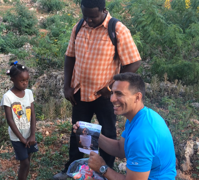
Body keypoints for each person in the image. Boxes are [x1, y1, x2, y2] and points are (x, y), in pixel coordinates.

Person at [54, 0, 141, 179]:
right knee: (78, 132)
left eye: (93, 16)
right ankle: (72, 169)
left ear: (103, 10)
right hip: (80, 92)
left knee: (107, 133)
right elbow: (69, 57)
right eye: (85, 15)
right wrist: (67, 86)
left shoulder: (117, 29)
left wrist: (112, 88)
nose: (89, 20)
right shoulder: (79, 26)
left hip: (106, 97)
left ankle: (105, 171)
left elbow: (134, 62)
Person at [73, 72, 177, 180]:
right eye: (112, 93)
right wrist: (92, 134)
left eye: (119, 94)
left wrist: (102, 168)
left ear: (137, 97)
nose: (112, 99)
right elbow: (121, 149)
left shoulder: (142, 135)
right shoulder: (140, 117)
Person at [0, 61, 38, 180]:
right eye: (22, 81)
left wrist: (32, 135)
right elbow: (10, 120)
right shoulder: (8, 97)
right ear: (12, 79)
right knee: (24, 162)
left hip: (29, 135)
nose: (25, 83)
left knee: (28, 159)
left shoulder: (29, 93)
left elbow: (32, 114)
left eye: (27, 80)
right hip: (17, 137)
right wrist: (21, 138)